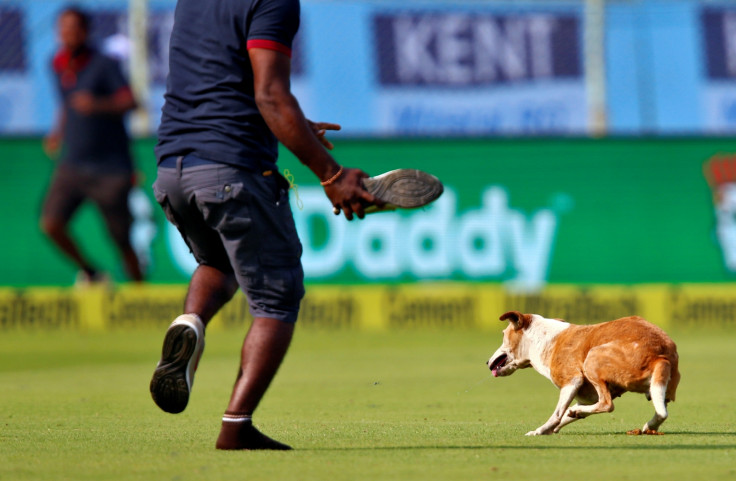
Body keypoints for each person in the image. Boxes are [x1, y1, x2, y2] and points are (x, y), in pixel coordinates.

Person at [148, 0, 385, 451]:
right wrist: (331, 176)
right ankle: (236, 426)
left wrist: (291, 126)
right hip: (231, 170)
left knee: (219, 260)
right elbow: (271, 95)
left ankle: (191, 321)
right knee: (277, 297)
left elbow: (222, 85)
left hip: (173, 169)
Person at [40, 7, 144, 284]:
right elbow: (67, 104)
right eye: (63, 28)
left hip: (110, 168)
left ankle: (140, 293)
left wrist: (97, 104)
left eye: (74, 28)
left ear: (85, 31)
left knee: (122, 240)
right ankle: (93, 273)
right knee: (51, 223)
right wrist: (57, 132)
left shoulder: (103, 64)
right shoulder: (58, 64)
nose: (68, 33)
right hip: (72, 164)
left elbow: (131, 101)